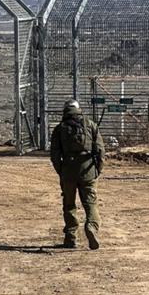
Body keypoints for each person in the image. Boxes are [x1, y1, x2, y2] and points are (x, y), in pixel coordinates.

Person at [50, 99, 105, 250]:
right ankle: (92, 228)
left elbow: (54, 154)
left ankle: (71, 238)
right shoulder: (91, 124)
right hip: (88, 170)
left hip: (68, 170)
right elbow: (100, 150)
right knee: (90, 203)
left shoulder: (60, 128)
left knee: (69, 205)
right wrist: (97, 170)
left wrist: (61, 170)